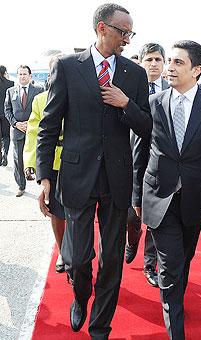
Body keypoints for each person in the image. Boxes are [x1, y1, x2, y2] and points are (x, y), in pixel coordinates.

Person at [36, 3, 152, 338]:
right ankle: (80, 295)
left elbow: (146, 127)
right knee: (77, 258)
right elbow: (48, 126)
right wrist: (45, 178)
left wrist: (126, 103)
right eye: (123, 32)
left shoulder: (134, 74)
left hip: (117, 179)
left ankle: (101, 324)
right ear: (102, 28)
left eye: (130, 33)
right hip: (76, 177)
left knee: (112, 259)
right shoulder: (68, 67)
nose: (128, 40)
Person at [134, 40, 201, 340]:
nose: (169, 67)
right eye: (169, 62)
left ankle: (174, 297)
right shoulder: (153, 104)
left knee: (184, 259)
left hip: (195, 200)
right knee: (170, 264)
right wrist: (136, 197)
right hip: (158, 196)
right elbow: (140, 153)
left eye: (178, 63)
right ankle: (174, 325)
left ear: (197, 70)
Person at [129, 42, 170, 288]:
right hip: (131, 160)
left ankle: (149, 263)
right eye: (149, 59)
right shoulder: (131, 88)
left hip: (160, 166)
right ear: (141, 62)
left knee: (155, 219)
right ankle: (132, 239)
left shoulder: (171, 90)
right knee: (132, 217)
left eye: (158, 59)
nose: (154, 64)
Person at [23, 55, 66, 273]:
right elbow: (33, 134)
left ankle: (74, 252)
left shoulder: (79, 95)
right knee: (56, 213)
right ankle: (61, 250)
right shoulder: (40, 100)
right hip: (52, 164)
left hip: (78, 163)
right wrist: (31, 162)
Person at [4, 65, 43, 196]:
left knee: (39, 157)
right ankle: (21, 185)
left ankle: (43, 185)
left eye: (24, 74)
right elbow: (7, 110)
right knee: (18, 159)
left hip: (34, 130)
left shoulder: (39, 90)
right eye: (20, 74)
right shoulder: (10, 91)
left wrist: (31, 124)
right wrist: (15, 123)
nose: (22, 77)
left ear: (30, 76)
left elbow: (43, 108)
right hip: (17, 130)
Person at [0, 66, 14, 166]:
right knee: (6, 135)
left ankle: (0, 156)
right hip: (6, 113)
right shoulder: (11, 83)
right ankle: (5, 153)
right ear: (5, 72)